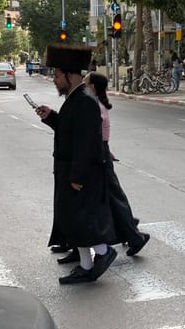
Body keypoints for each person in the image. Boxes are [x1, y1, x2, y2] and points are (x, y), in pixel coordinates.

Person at [34, 44, 118, 285]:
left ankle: (103, 252)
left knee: (82, 219)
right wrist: (51, 117)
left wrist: (77, 175)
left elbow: (87, 143)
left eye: (57, 76)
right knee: (74, 220)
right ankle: (85, 266)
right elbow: (70, 130)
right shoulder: (75, 98)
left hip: (79, 172)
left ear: (70, 76)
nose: (54, 81)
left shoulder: (85, 101)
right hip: (68, 170)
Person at [57, 71, 150, 264]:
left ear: (93, 87)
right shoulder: (93, 102)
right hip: (101, 153)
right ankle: (129, 233)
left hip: (98, 155)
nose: (83, 83)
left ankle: (133, 235)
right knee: (110, 199)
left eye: (86, 81)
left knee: (113, 199)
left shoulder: (92, 105)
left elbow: (92, 135)